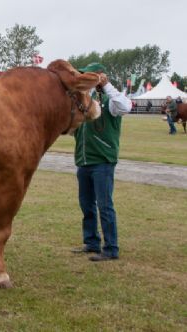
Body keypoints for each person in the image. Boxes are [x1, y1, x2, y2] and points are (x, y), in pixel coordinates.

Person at [71, 63, 132, 262]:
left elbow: (126, 106)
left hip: (103, 161)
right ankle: (91, 242)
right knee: (86, 204)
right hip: (83, 161)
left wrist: (106, 85)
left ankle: (111, 248)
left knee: (105, 206)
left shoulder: (110, 101)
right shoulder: (84, 103)